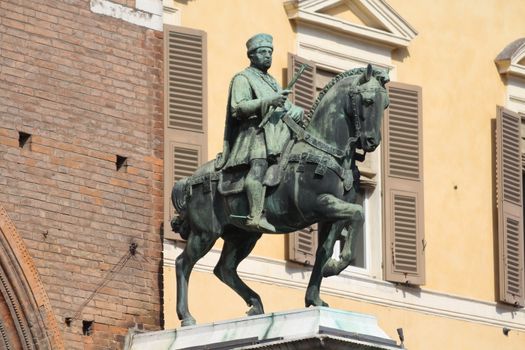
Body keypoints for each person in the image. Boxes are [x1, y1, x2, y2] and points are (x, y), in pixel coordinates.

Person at [217, 33, 304, 231]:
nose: (267, 56)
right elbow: (238, 108)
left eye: (270, 52)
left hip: (277, 134)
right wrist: (267, 102)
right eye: (262, 52)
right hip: (253, 134)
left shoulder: (272, 82)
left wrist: (295, 109)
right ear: (252, 56)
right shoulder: (243, 78)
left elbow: (284, 106)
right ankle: (254, 215)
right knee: (258, 168)